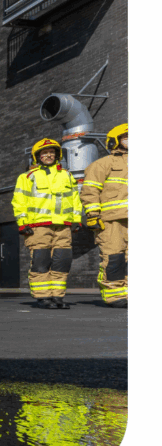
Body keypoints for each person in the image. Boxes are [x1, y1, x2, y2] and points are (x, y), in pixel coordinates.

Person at [11, 139, 83, 309]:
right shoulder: (27, 177)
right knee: (41, 261)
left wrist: (76, 220)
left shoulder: (67, 175)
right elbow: (19, 201)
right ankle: (43, 297)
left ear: (57, 155)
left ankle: (57, 297)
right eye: (44, 153)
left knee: (62, 261)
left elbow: (75, 200)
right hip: (38, 226)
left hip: (63, 226)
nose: (49, 155)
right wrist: (22, 223)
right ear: (37, 156)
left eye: (52, 152)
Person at [80, 123, 128, 308]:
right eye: (126, 137)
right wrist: (92, 214)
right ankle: (115, 295)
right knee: (114, 257)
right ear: (116, 140)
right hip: (111, 220)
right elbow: (90, 190)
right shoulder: (102, 164)